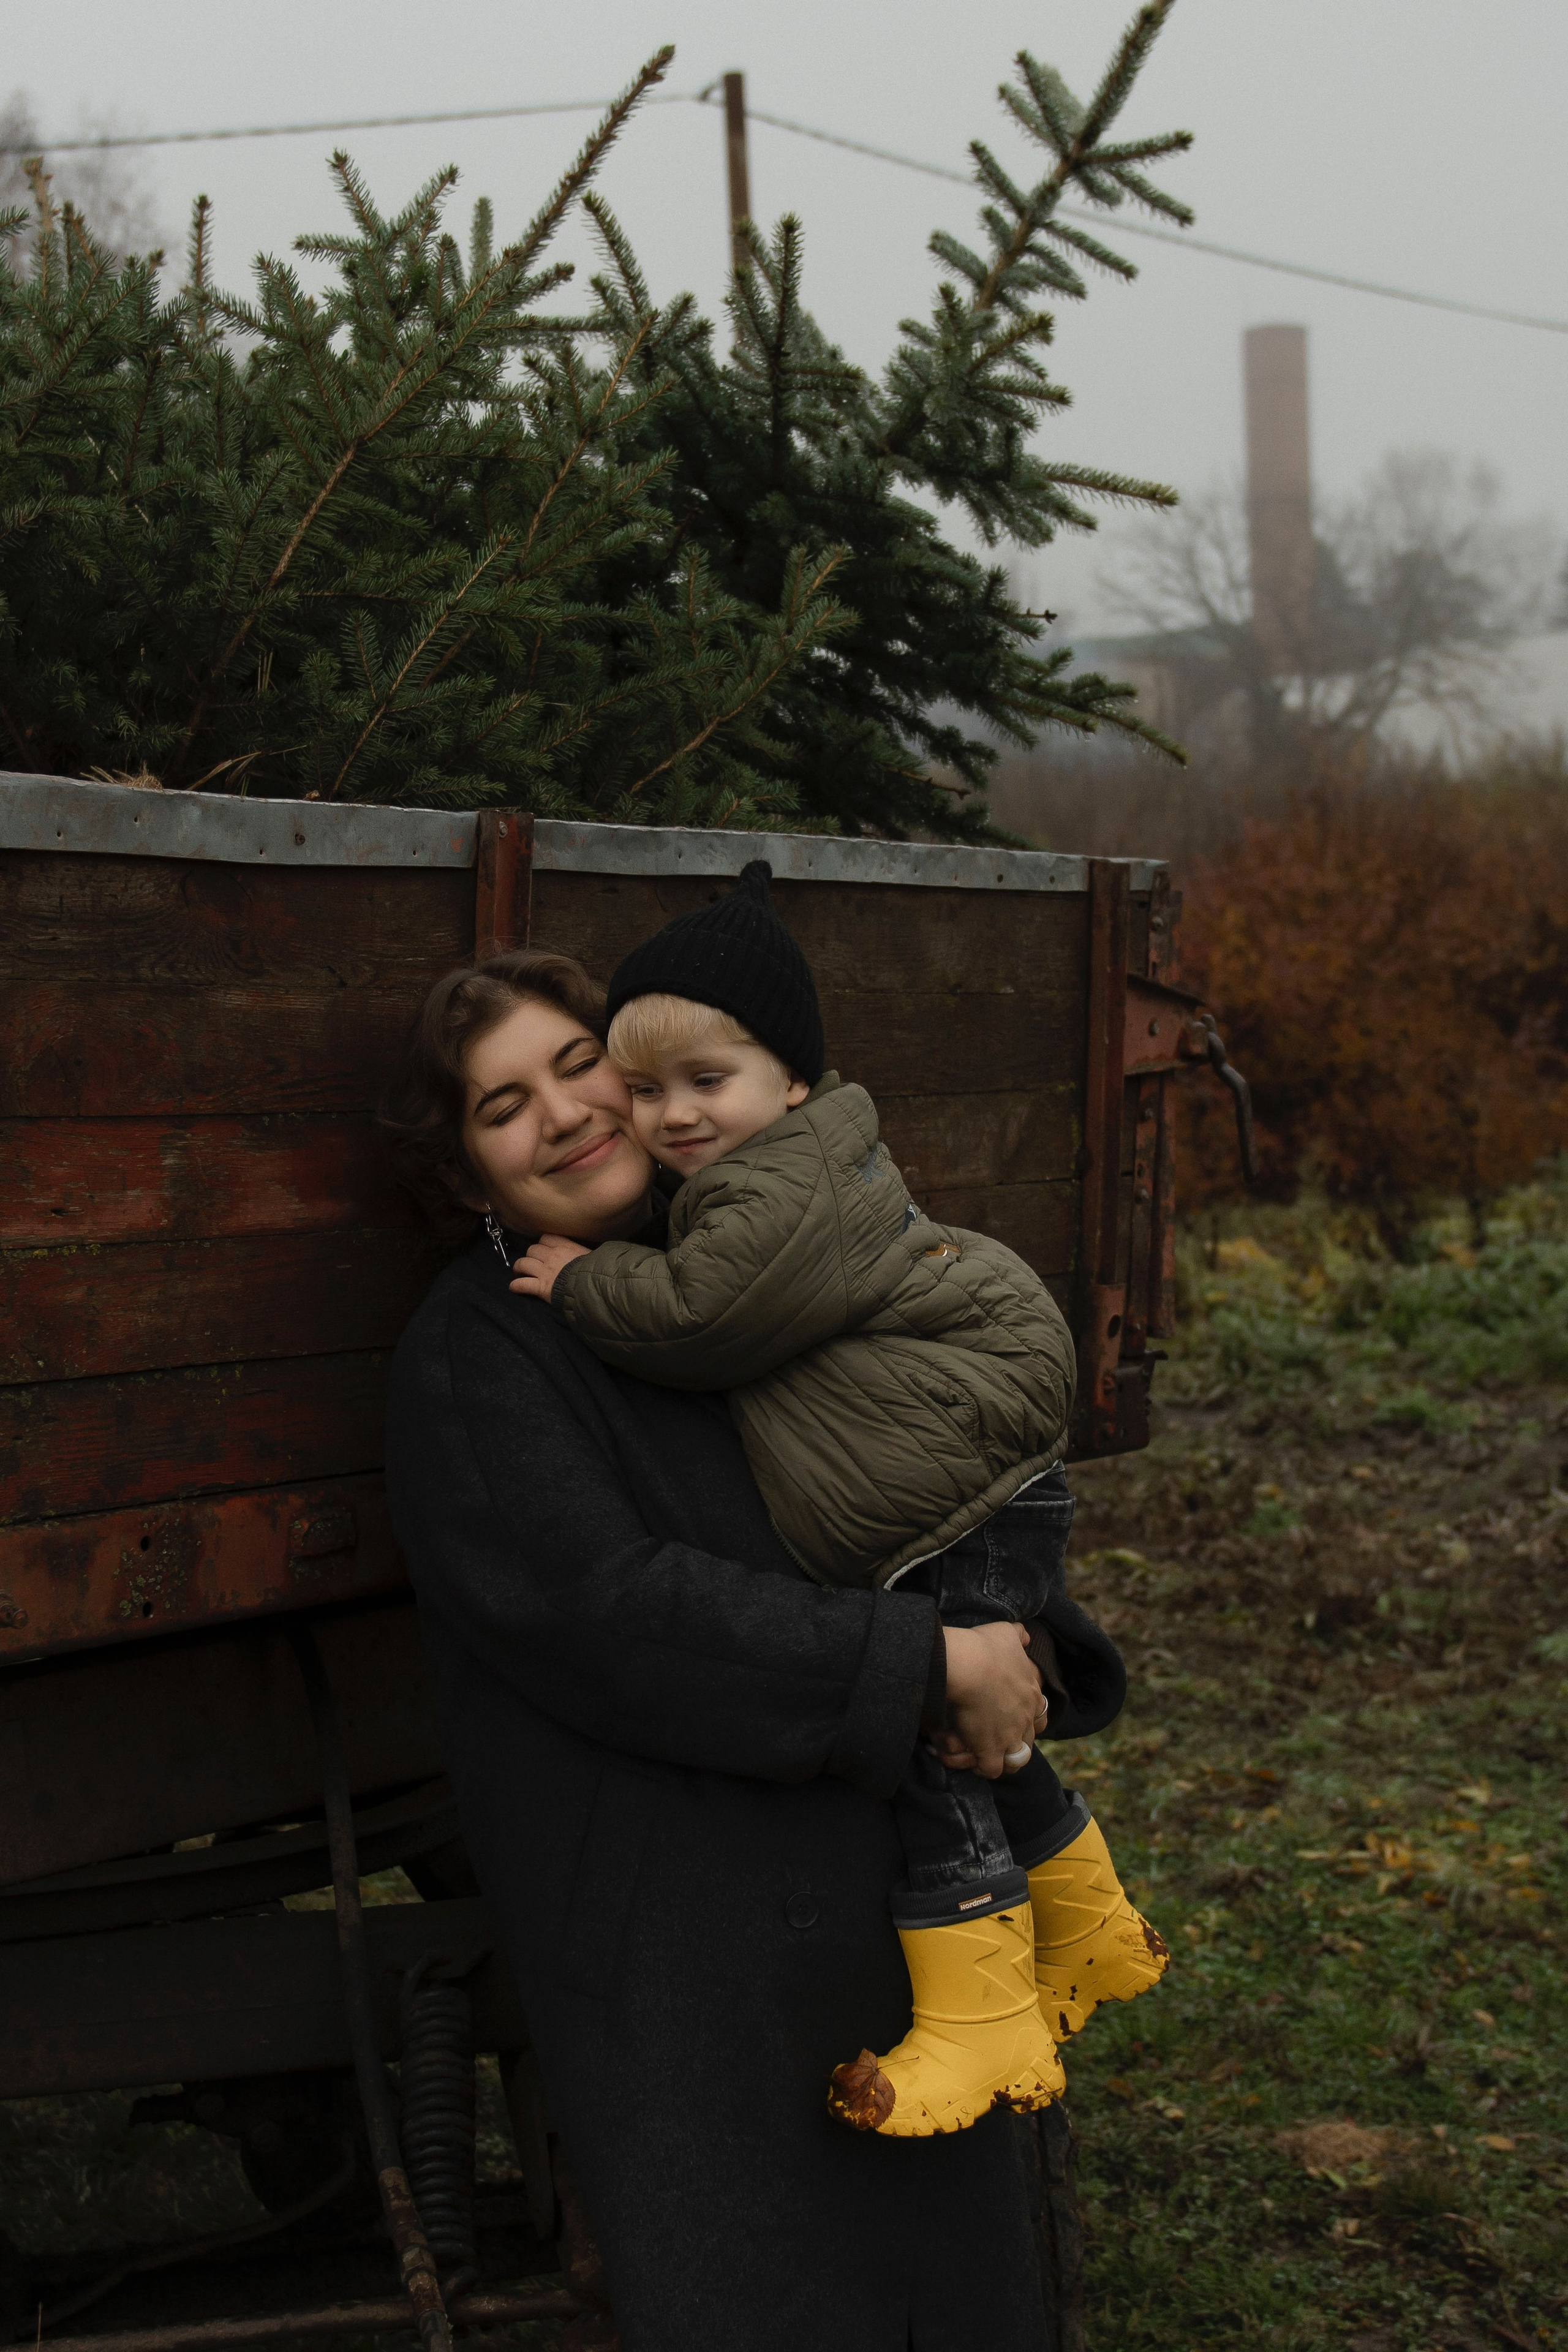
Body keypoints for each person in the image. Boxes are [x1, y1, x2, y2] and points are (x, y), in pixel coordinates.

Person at [382, 943, 1081, 2352]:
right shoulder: (478, 1356)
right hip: (687, 1930)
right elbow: (612, 1611)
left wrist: (1012, 1643)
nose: (563, 1115)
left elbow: (928, 1477)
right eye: (503, 1106)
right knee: (776, 2286)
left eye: (577, 1068)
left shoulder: (742, 1273)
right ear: (467, 1177)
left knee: (949, 2285)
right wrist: (921, 1664)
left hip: (873, 1874)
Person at [508, 865, 1166, 2145]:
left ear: (794, 1081)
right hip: (964, 1475)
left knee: (926, 1732)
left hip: (956, 1482)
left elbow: (702, 1316)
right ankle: (1089, 1925)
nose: (674, 1115)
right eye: (645, 1090)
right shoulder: (766, 1168)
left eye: (708, 1081)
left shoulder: (780, 1186)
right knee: (971, 1724)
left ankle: (980, 2021)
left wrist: (582, 1283)